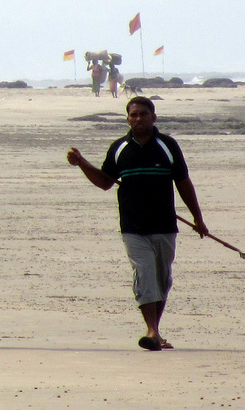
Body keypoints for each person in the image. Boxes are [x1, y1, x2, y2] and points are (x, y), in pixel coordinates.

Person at [66, 95, 208, 351]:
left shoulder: (168, 146)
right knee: (144, 275)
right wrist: (82, 164)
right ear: (127, 119)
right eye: (133, 115)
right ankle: (151, 331)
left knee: (161, 279)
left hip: (164, 224)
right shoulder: (120, 148)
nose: (138, 118)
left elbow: (183, 183)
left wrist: (198, 219)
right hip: (133, 227)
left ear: (154, 117)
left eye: (143, 114)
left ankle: (156, 331)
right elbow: (105, 182)